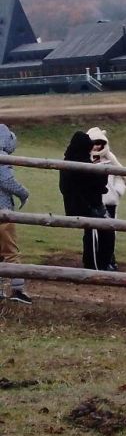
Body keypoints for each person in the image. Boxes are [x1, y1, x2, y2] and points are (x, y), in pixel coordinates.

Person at [60, 131, 114, 272]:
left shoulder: (69, 161)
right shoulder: (79, 164)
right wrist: (102, 174)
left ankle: (101, 263)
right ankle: (96, 266)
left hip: (85, 205)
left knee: (103, 232)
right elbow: (94, 186)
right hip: (87, 207)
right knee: (96, 234)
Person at [85, 127, 126, 271]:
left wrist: (118, 191)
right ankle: (94, 262)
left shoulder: (110, 158)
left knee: (110, 233)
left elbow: (121, 176)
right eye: (94, 143)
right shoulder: (85, 158)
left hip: (110, 201)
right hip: (93, 203)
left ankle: (108, 260)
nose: (97, 146)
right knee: (93, 233)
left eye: (100, 143)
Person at [0, 124, 31, 304]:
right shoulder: (2, 157)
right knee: (10, 251)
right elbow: (6, 181)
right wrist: (23, 193)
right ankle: (18, 290)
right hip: (3, 211)